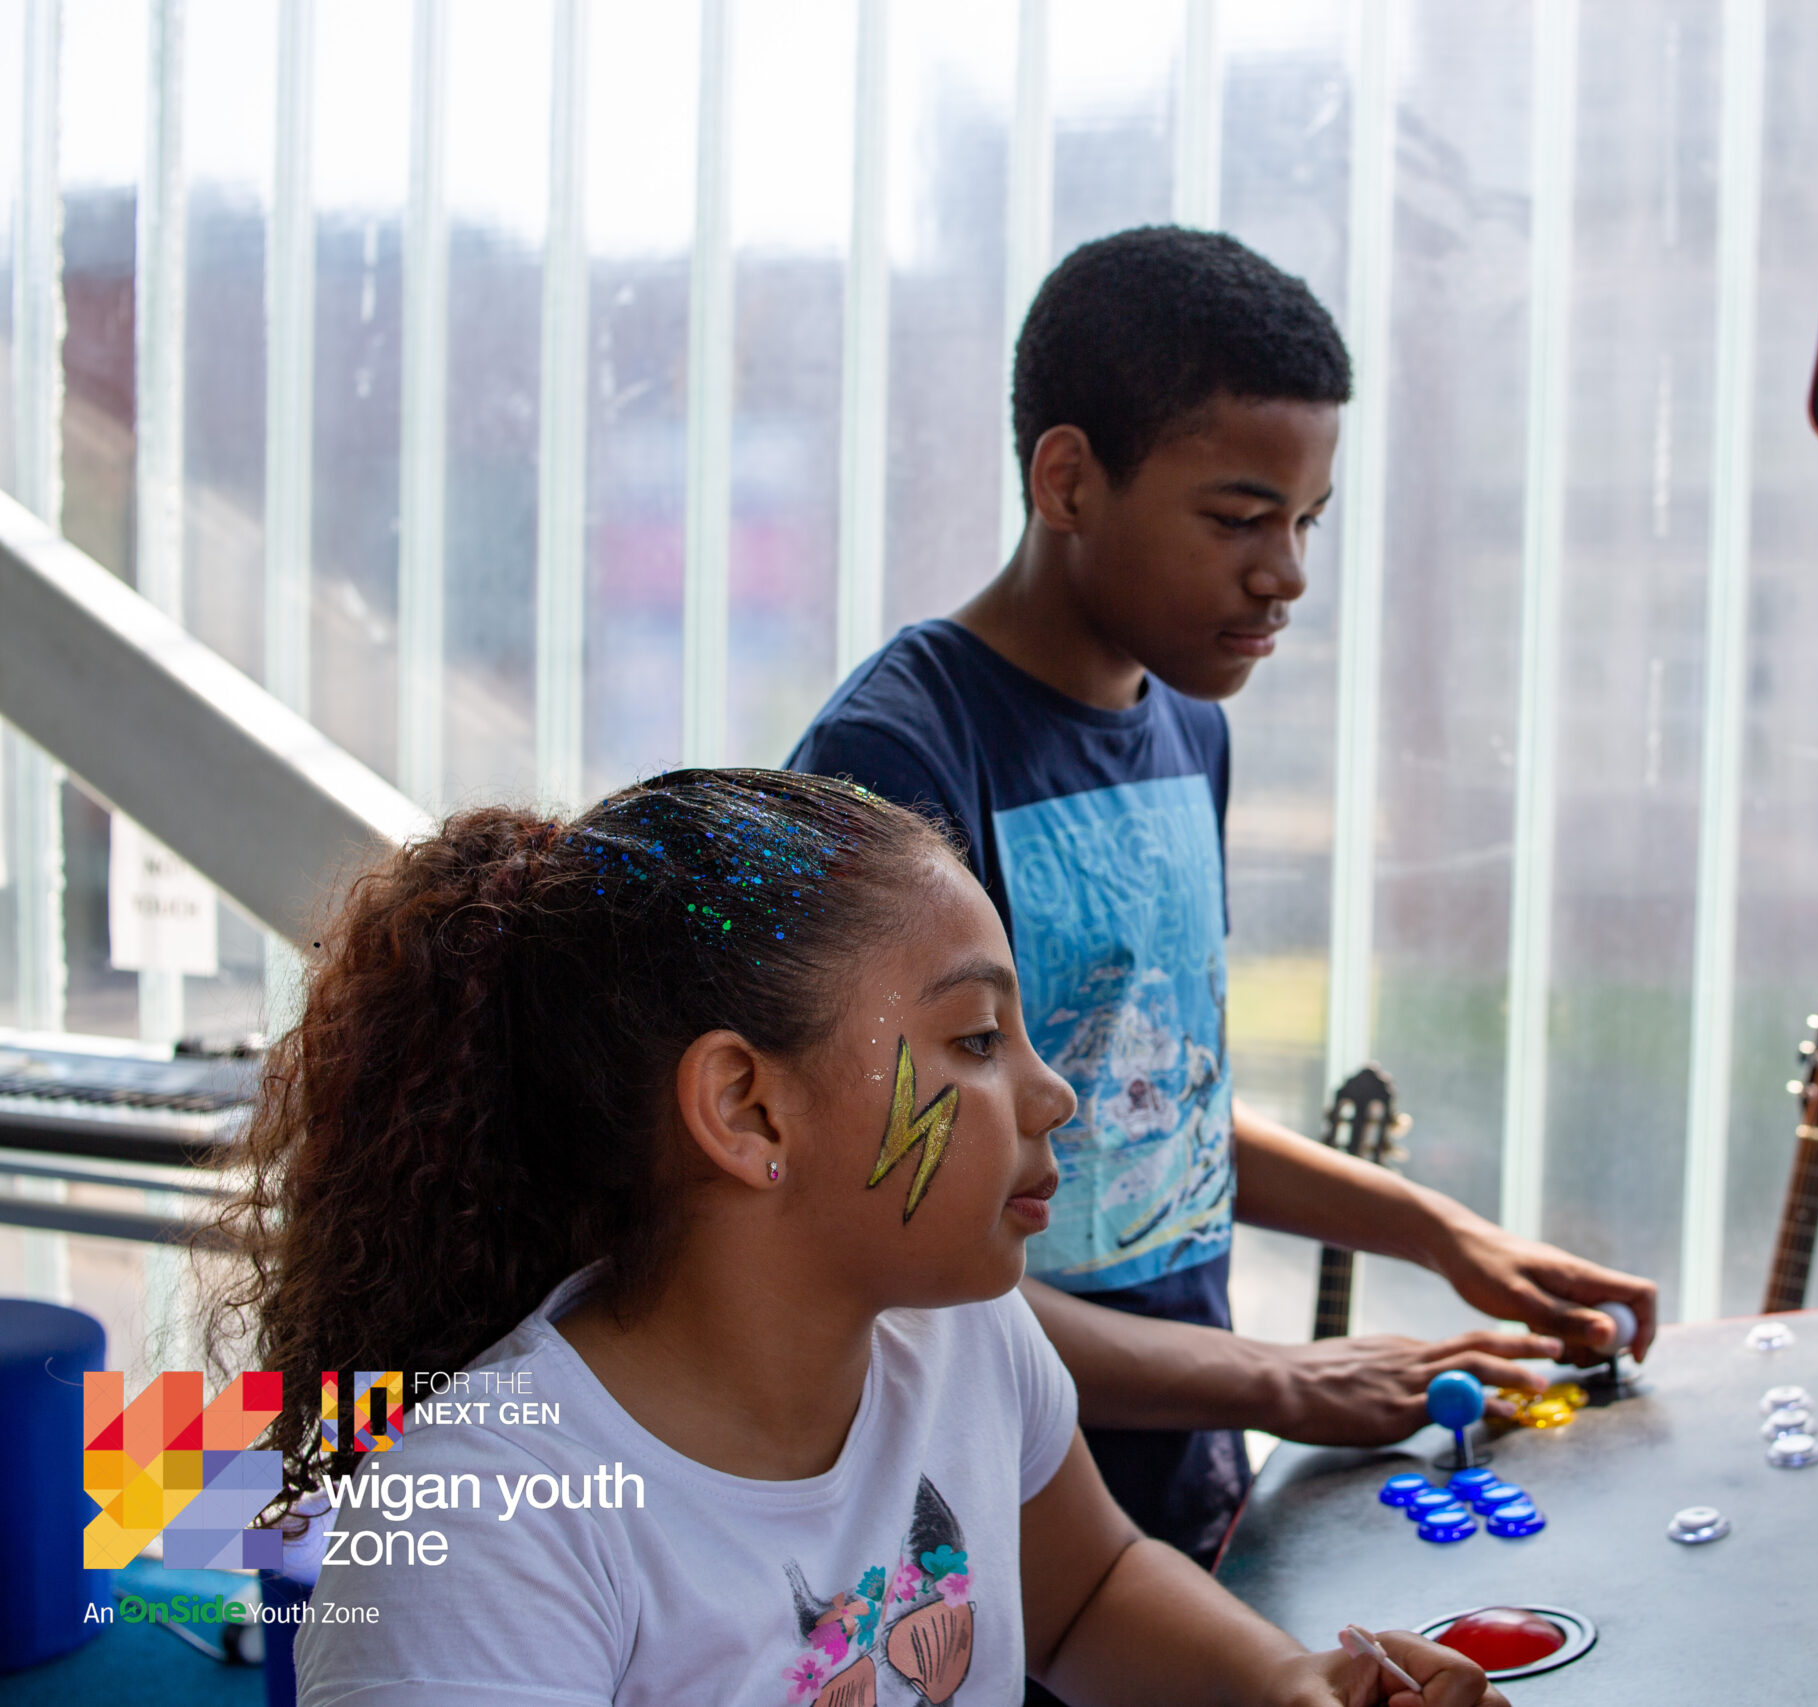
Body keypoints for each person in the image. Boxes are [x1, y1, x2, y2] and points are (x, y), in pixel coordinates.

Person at [214, 771, 1499, 1707]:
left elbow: (1089, 1591)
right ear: (747, 1109)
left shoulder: (964, 1339)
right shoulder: (481, 1528)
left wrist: (1281, 1683)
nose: (1054, 1096)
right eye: (976, 1041)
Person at [786, 227, 1658, 1579]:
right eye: (1240, 519)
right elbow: (889, 1256)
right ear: (1069, 480)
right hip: (995, 1524)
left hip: (1189, 1479)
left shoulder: (1191, 727)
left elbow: (1151, 1107)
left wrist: (1442, 1235)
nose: (1287, 573)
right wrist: (1283, 1378)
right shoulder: (898, 762)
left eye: (1307, 522)